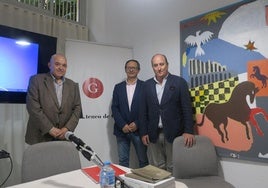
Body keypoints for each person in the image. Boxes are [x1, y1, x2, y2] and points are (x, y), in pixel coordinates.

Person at [139, 53, 195, 172]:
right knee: (156, 167)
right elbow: (142, 111)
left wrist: (189, 131)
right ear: (152, 67)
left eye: (161, 64)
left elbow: (187, 108)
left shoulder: (179, 82)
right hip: (153, 133)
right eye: (155, 65)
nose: (159, 68)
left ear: (167, 65)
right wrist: (143, 132)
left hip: (174, 132)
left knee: (173, 166)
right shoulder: (146, 85)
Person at [25, 53, 82, 145]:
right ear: (49, 65)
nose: (61, 68)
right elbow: (33, 108)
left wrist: (67, 128)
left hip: (63, 136)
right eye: (57, 64)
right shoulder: (36, 80)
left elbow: (77, 108)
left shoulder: (73, 85)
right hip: (40, 136)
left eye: (64, 65)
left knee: (60, 160)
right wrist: (50, 128)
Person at [111, 59, 149, 168]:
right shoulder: (118, 87)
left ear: (138, 70)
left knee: (143, 161)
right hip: (121, 130)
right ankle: (124, 185)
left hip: (139, 130)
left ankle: (144, 185)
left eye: (134, 68)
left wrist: (137, 123)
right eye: (129, 67)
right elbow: (115, 108)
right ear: (125, 69)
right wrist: (122, 125)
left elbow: (148, 109)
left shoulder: (145, 86)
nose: (131, 69)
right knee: (123, 162)